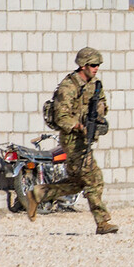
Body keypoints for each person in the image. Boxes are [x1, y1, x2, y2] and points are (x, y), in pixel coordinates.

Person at [27, 46, 116, 233]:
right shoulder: (68, 87)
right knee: (94, 179)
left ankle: (39, 193)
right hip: (72, 140)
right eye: (93, 65)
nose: (96, 68)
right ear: (83, 65)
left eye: (98, 65)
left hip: (85, 140)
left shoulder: (95, 85)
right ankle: (102, 222)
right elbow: (61, 117)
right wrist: (79, 126)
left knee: (78, 183)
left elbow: (104, 107)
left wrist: (98, 116)